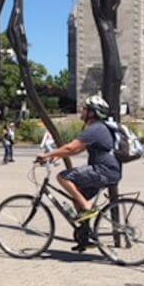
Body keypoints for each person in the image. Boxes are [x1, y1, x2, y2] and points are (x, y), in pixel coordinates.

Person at [36, 95, 122, 226]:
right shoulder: (99, 128)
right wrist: (55, 156)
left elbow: (71, 147)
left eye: (85, 109)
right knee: (78, 197)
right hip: (108, 171)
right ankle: (86, 236)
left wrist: (47, 154)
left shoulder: (95, 129)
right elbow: (77, 150)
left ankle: (87, 206)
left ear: (92, 113)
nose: (82, 111)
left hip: (103, 170)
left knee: (63, 177)